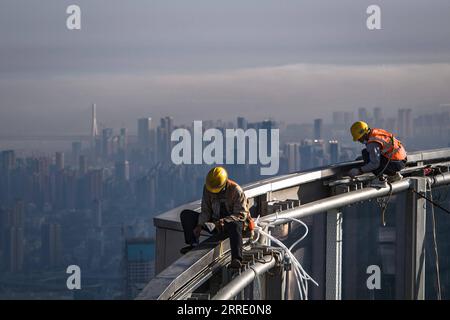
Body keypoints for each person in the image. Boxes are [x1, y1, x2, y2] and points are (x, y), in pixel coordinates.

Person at [179, 166, 251, 269]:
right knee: (186, 215)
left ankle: (236, 259)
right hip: (214, 223)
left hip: (230, 224)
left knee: (235, 225)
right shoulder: (208, 189)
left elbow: (241, 214)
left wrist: (223, 222)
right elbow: (206, 210)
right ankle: (193, 244)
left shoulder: (236, 191)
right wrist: (200, 225)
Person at [348, 121, 407, 185]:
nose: (359, 141)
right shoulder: (376, 132)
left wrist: (359, 170)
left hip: (395, 164)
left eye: (359, 138)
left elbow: (375, 164)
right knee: (369, 154)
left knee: (365, 153)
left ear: (363, 134)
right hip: (402, 160)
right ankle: (394, 175)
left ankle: (381, 180)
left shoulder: (372, 143)